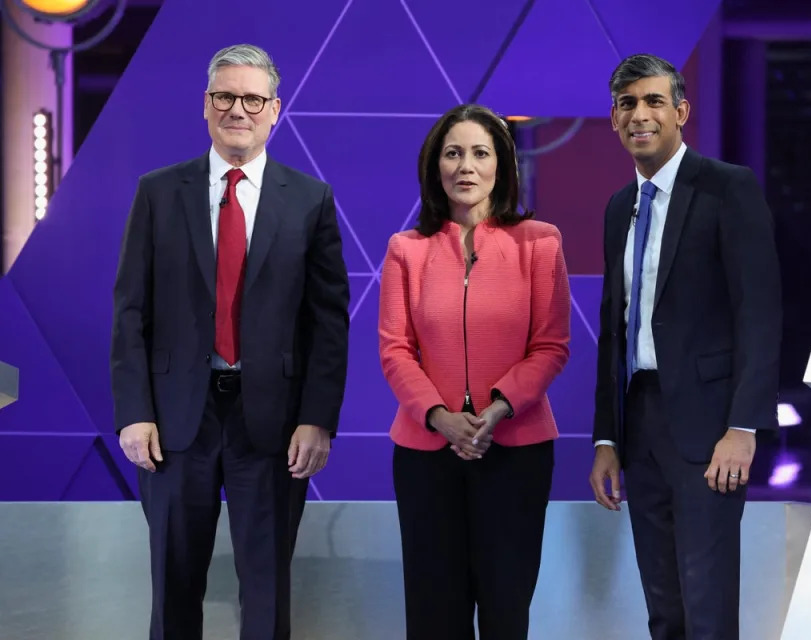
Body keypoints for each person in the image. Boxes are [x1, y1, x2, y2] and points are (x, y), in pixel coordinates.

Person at [110, 43, 350, 640]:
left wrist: (317, 418)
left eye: (251, 98)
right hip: (173, 423)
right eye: (224, 96)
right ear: (206, 105)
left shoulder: (310, 199)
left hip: (272, 424)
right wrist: (134, 413)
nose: (237, 109)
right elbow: (129, 312)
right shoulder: (159, 192)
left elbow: (328, 323)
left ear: (275, 110)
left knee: (265, 592)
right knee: (173, 585)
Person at [589, 53, 782, 639]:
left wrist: (744, 426)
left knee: (707, 608)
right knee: (664, 609)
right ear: (614, 120)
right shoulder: (619, 207)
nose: (640, 115)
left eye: (652, 101)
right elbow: (614, 328)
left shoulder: (727, 187)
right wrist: (606, 436)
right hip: (641, 426)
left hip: (710, 431)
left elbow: (760, 313)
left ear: (681, 112)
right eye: (627, 104)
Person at [378, 103, 571, 639]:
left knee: (506, 610)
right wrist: (440, 416)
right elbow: (395, 350)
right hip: (426, 455)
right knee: (435, 612)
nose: (466, 165)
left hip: (515, 450)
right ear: (435, 166)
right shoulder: (406, 250)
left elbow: (551, 346)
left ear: (501, 166)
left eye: (480, 153)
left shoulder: (540, 242)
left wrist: (497, 409)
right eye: (453, 153)